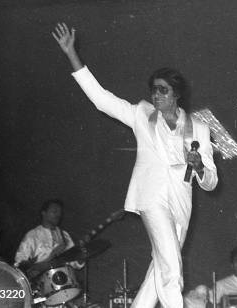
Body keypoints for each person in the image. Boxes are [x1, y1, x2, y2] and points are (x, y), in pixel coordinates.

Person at [52, 23, 218, 308]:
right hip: (151, 198)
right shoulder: (141, 114)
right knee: (171, 268)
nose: (156, 95)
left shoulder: (200, 129)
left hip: (181, 203)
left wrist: (200, 166)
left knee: (160, 267)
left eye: (162, 91)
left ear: (176, 94)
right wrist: (71, 55)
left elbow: (211, 181)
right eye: (153, 90)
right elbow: (102, 99)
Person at [15, 199, 83, 278]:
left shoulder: (64, 235)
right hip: (41, 283)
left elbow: (75, 264)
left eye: (60, 213)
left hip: (66, 280)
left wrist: (81, 254)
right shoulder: (32, 235)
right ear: (44, 213)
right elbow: (19, 263)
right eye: (54, 211)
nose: (58, 215)